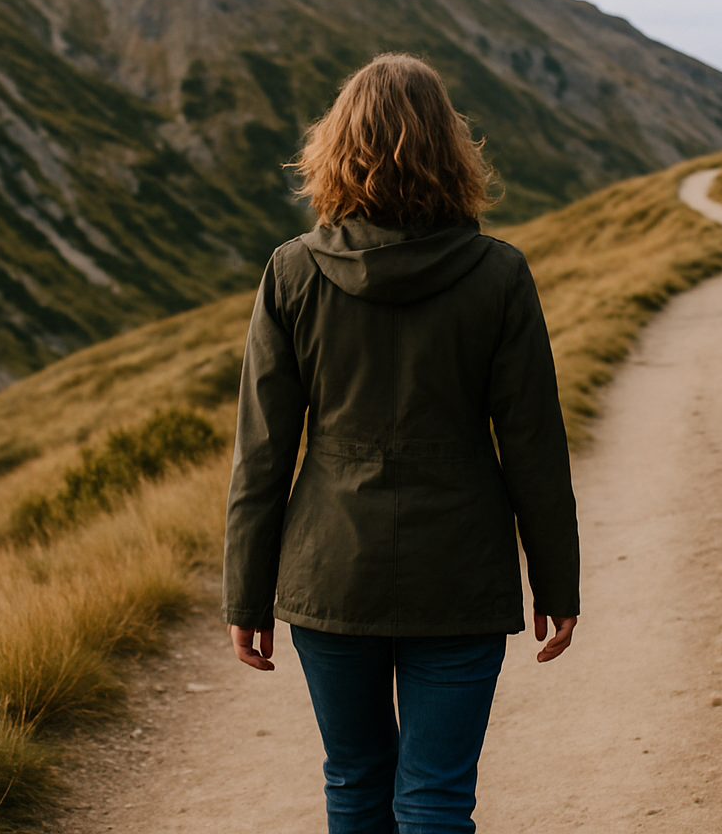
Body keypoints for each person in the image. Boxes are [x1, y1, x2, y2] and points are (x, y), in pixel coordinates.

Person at [222, 52, 580, 834]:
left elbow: (262, 454)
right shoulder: (499, 276)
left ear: (335, 148)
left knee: (354, 784)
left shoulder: (291, 274)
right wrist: (557, 583)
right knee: (438, 798)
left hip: (330, 573)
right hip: (459, 573)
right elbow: (533, 447)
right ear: (451, 149)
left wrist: (246, 593)